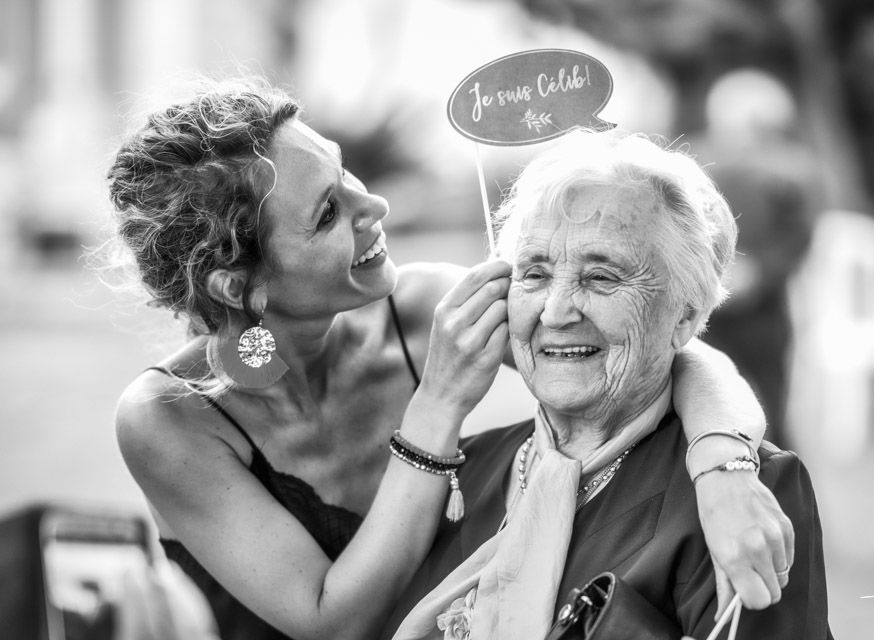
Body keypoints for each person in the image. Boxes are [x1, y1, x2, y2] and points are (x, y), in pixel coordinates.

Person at [106, 79, 791, 640]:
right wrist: (436, 405)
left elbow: (678, 356)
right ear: (242, 286)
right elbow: (333, 621)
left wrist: (725, 470)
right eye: (326, 214)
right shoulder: (171, 417)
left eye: (346, 174)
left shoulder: (422, 308)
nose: (373, 204)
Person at [387, 130, 831, 639]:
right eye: (535, 274)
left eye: (601, 277)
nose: (555, 312)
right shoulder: (463, 475)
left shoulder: (741, 497)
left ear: (684, 316)